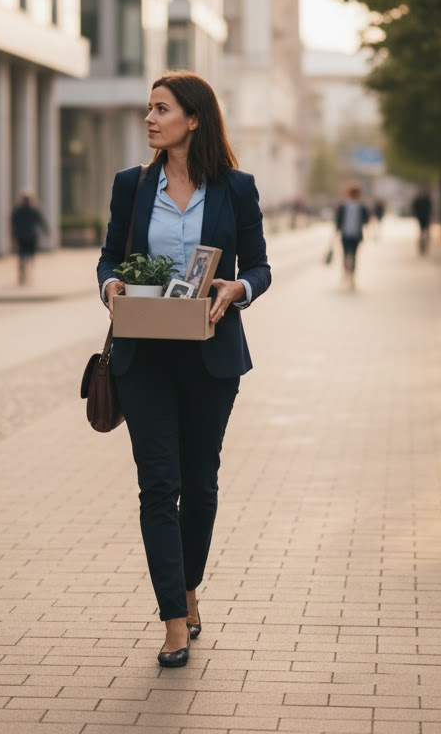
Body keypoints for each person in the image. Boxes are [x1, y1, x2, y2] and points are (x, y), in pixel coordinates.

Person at [97, 70, 271, 669]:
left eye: (161, 109)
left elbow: (262, 267)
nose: (149, 118)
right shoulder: (131, 185)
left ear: (193, 119)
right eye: (148, 108)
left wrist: (238, 288)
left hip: (209, 355)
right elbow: (109, 255)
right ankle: (173, 616)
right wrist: (111, 284)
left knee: (199, 488)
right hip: (143, 356)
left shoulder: (237, 189)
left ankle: (190, 586)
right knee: (158, 487)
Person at [335, 184, 369, 288]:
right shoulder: (352, 206)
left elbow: (338, 220)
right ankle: (349, 275)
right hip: (351, 234)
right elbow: (366, 220)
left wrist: (337, 230)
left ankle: (348, 274)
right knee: (351, 255)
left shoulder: (348, 206)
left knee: (348, 255)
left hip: (350, 234)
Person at [10, 190, 48, 285]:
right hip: (31, 236)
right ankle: (28, 271)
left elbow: (13, 223)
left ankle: (23, 271)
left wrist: (13, 234)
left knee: (21, 255)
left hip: (21, 236)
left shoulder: (17, 210)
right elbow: (41, 222)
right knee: (30, 255)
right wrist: (46, 232)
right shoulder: (34, 210)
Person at [411, 187, 433, 255]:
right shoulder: (419, 200)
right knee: (422, 233)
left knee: (425, 233)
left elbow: (430, 208)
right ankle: (422, 246)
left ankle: (424, 246)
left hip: (425, 218)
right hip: (421, 218)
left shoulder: (426, 199)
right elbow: (414, 208)